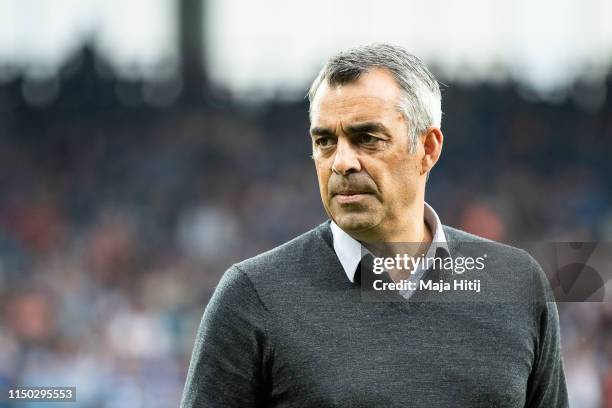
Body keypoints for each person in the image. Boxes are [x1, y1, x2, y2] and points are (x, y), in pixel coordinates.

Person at [180, 43, 568, 407]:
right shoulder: (252, 296)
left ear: (428, 148)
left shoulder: (517, 283)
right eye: (325, 141)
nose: (341, 162)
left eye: (367, 138)